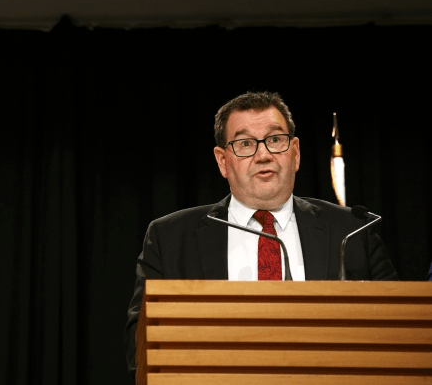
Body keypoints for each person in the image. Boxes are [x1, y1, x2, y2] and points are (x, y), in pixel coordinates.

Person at [124, 91, 397, 378]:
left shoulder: (353, 231)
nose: (263, 154)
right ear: (222, 161)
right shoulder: (171, 237)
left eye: (275, 140)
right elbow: (138, 348)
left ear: (296, 153)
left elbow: (398, 331)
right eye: (245, 144)